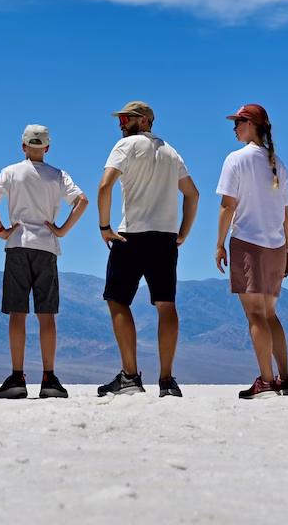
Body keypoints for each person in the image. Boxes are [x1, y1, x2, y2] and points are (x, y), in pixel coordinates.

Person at [95, 100, 199, 398]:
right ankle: (166, 380)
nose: (120, 124)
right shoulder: (171, 152)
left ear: (143, 121)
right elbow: (192, 194)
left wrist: (104, 227)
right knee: (166, 305)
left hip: (131, 237)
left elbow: (105, 186)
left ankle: (130, 376)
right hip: (165, 239)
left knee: (117, 301)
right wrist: (182, 233)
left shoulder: (125, 147)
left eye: (125, 118)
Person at [0, 123, 88, 399]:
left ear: (24, 146)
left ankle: (17, 377)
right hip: (47, 248)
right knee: (46, 315)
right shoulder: (57, 175)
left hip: (17, 245)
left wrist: (0, 230)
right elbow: (82, 201)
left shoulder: (11, 172)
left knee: (18, 313)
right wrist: (62, 230)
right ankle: (49, 379)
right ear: (48, 148)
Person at [213, 102, 288, 399]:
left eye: (238, 122)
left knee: (255, 316)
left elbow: (227, 206)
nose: (234, 127)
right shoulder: (279, 165)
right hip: (275, 246)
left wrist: (219, 243)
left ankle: (265, 380)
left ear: (251, 125)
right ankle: (285, 379)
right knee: (270, 314)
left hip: (248, 243)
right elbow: (286, 214)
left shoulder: (236, 160)